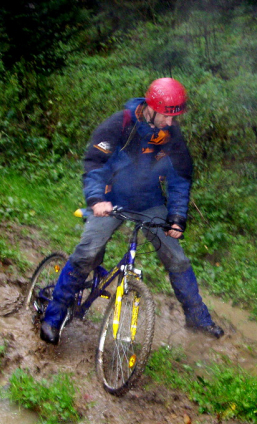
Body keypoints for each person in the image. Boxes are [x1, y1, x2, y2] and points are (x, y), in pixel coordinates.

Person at [40, 77, 224, 345]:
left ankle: (198, 319)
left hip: (149, 203)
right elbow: (95, 162)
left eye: (175, 117)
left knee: (178, 260)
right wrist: (95, 199)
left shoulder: (171, 136)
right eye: (167, 116)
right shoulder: (119, 124)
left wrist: (176, 216)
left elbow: (180, 177)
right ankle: (53, 318)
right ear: (151, 107)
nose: (171, 122)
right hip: (110, 199)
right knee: (88, 253)